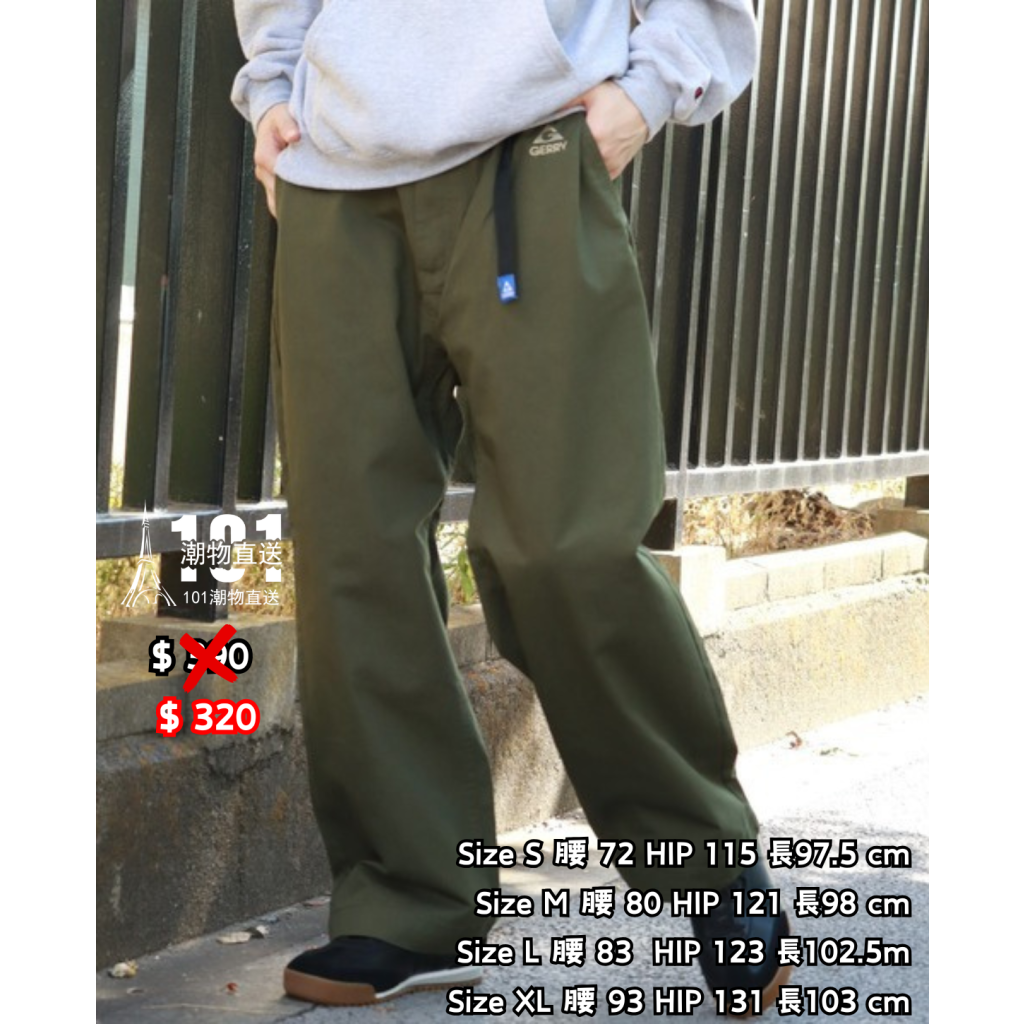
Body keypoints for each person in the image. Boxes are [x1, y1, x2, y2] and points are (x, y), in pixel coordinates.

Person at [231, 0, 790, 1011]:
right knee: (352, 557)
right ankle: (411, 902)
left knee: (565, 545)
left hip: (532, 143)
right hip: (336, 168)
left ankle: (710, 863)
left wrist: (650, 87)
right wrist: (273, 83)